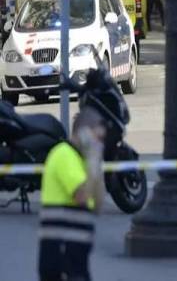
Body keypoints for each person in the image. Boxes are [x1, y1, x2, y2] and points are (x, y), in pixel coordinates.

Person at [38, 106, 106, 281]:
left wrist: (95, 164)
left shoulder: (82, 160)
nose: (99, 144)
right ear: (83, 133)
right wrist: (92, 161)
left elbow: (98, 205)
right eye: (97, 137)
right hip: (60, 256)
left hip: (76, 257)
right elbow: (81, 196)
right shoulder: (64, 155)